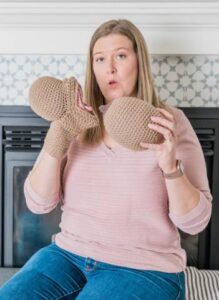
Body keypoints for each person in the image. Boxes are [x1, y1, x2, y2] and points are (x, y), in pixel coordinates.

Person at [0, 19, 212, 300]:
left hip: (144, 268)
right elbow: (39, 203)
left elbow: (196, 223)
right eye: (100, 59)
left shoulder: (168, 123)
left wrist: (170, 168)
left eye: (120, 56)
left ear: (140, 62)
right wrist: (60, 133)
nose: (109, 68)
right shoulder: (77, 119)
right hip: (68, 254)